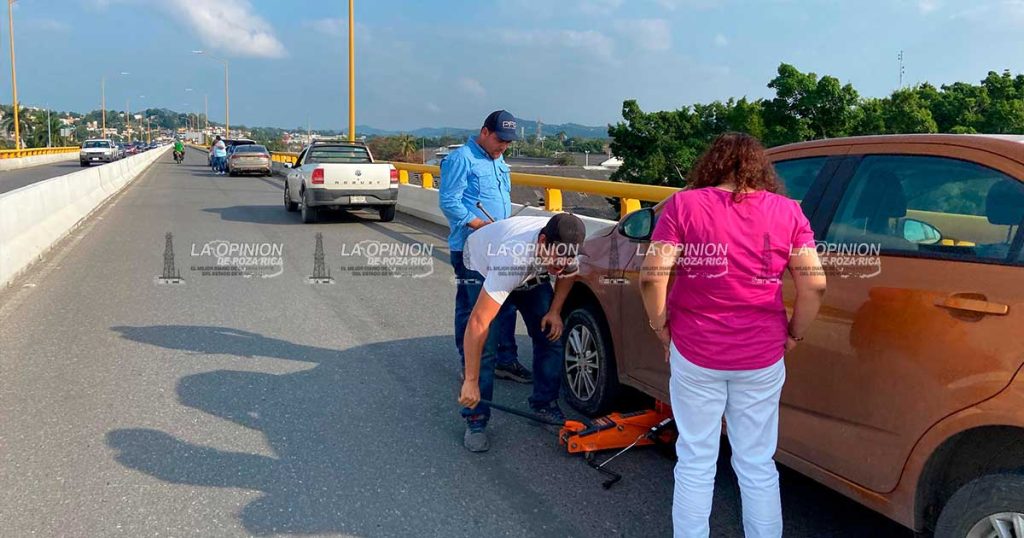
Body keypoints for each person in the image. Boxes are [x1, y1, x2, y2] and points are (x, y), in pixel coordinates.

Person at [639, 133, 826, 538]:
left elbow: (652, 277)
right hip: (761, 354)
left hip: (695, 349)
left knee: (695, 459)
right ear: (761, 168)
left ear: (713, 164)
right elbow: (814, 285)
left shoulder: (683, 205)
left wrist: (661, 328)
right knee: (757, 463)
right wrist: (794, 335)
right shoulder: (789, 213)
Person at [456, 213, 586, 453]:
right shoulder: (512, 258)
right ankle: (475, 418)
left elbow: (569, 273)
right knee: (487, 344)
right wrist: (471, 381)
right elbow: (477, 323)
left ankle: (544, 404)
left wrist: (555, 311)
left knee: (550, 334)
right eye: (558, 255)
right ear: (542, 241)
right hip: (481, 262)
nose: (562, 263)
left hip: (530, 274)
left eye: (568, 256)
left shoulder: (567, 249)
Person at [440, 110, 533, 384]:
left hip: (501, 245)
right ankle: (469, 364)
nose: (503, 146)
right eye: (499, 139)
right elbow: (449, 201)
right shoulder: (461, 159)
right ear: (484, 132)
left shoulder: (499, 159)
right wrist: (478, 223)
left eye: (507, 142)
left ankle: (506, 360)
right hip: (471, 247)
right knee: (471, 308)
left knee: (504, 305)